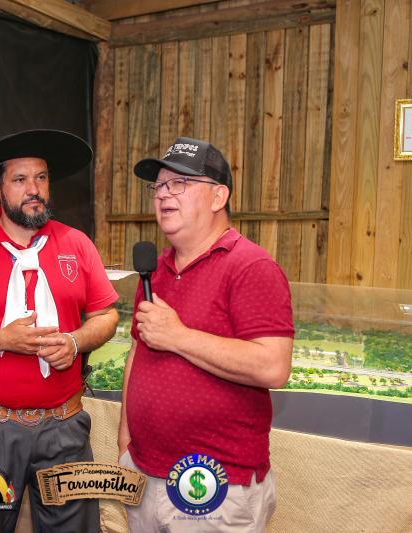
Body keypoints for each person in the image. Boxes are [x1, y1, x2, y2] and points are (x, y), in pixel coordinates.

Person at [0, 129, 119, 532]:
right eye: (20, 179)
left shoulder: (77, 244)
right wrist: (1, 339)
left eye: (41, 178)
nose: (34, 189)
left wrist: (75, 341)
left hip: (65, 429)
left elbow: (106, 315)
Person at [119, 137, 294, 532]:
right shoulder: (155, 270)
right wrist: (124, 443)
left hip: (214, 483)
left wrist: (178, 336)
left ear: (218, 197)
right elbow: (137, 352)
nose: (163, 194)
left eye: (179, 183)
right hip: (143, 470)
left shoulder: (251, 267)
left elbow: (273, 366)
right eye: (158, 186)